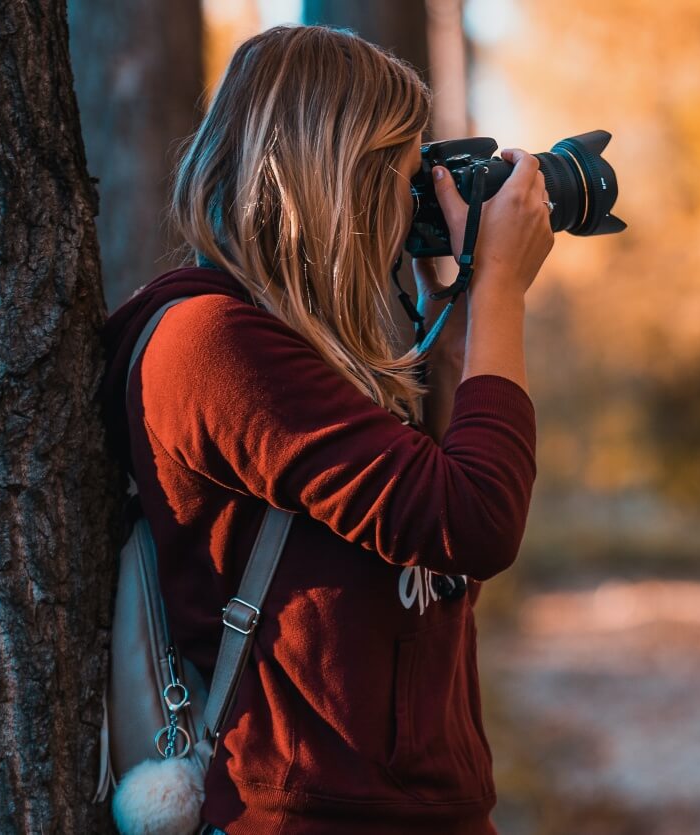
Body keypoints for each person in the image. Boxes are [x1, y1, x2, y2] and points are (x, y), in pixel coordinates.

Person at [99, 24, 549, 833]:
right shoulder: (213, 344)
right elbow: (474, 520)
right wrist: (500, 294)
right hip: (300, 813)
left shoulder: (308, 354)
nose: (410, 204)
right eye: (402, 179)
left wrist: (444, 301)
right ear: (345, 178)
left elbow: (435, 537)